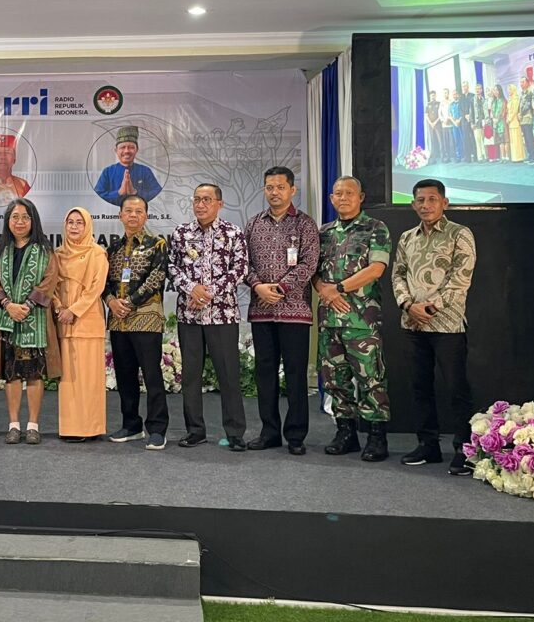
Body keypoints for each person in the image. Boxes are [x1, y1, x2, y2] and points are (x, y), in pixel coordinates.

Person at [392, 178, 476, 477]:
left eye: (432, 199)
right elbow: (398, 274)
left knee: (456, 389)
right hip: (412, 324)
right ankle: (428, 445)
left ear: (444, 203)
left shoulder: (459, 234)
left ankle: (465, 450)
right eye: (420, 200)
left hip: (447, 325)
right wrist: (407, 305)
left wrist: (428, 308)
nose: (425, 205)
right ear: (413, 204)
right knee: (420, 387)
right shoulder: (407, 238)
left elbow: (460, 280)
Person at [312, 177, 392, 462]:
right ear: (331, 198)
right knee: (336, 379)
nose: (343, 198)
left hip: (362, 320)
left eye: (349, 193)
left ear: (361, 197)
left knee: (371, 379)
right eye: (338, 193)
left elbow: (377, 268)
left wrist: (338, 289)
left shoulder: (375, 228)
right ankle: (345, 433)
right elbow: (313, 272)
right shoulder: (323, 233)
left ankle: (376, 437)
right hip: (329, 319)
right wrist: (324, 290)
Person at [168, 184, 250, 451]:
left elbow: (240, 269)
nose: (200, 204)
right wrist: (192, 288)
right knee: (190, 376)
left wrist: (210, 292)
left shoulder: (232, 233)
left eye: (206, 199)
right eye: (197, 199)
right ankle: (195, 430)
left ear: (219, 204)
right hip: (189, 316)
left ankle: (235, 433)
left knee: (228, 375)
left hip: (222, 315)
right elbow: (172, 267)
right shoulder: (181, 233)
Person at [244, 166, 319, 455]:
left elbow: (309, 263)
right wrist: (258, 286)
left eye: (280, 187)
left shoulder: (305, 224)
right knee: (264, 373)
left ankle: (296, 435)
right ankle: (269, 432)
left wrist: (280, 288)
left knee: (296, 374)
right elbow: (243, 263)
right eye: (269, 187)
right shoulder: (253, 224)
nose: (274, 192)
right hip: (261, 310)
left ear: (292, 190)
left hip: (295, 312)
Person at [0, 198, 61, 445]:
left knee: (34, 374)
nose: (20, 222)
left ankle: (33, 426)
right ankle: (14, 425)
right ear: (8, 221)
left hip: (35, 320)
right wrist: (9, 305)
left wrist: (26, 306)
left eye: (25, 217)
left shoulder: (45, 250)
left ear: (33, 221)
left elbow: (50, 280)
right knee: (12, 375)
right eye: (15, 217)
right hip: (7, 320)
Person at [104, 195, 169, 450]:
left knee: (152, 375)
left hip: (146, 319)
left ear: (146, 215)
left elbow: (156, 278)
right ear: (120, 215)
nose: (133, 215)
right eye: (128, 211)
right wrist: (111, 301)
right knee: (124, 375)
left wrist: (129, 302)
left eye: (138, 211)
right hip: (118, 322)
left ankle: (157, 428)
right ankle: (131, 425)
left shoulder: (157, 244)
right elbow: (102, 282)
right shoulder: (112, 249)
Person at [54, 207, 109, 442]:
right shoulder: (57, 255)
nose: (74, 227)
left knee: (89, 380)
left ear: (87, 226)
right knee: (69, 380)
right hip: (64, 323)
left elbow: (96, 288)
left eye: (80, 222)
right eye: (70, 222)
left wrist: (73, 310)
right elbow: (50, 286)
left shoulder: (97, 253)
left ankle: (90, 427)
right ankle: (71, 428)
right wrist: (59, 308)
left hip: (87, 322)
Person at [93, 126, 163, 206]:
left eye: (131, 147)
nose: (126, 151)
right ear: (116, 150)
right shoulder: (107, 172)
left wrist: (135, 192)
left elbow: (158, 193)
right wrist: (119, 193)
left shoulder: (145, 171)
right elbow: (98, 196)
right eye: (122, 147)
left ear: (137, 150)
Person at [518, 76, 534, 164]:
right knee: (526, 138)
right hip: (522, 119)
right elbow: (520, 105)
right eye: (520, 82)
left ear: (527, 83)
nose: (521, 84)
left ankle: (533, 157)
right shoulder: (522, 93)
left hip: (528, 117)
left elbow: (528, 105)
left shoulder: (529, 92)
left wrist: (521, 114)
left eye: (523, 82)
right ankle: (529, 155)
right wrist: (518, 113)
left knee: (529, 138)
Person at [506, 83, 525, 163]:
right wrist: (507, 118)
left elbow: (515, 111)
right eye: (508, 90)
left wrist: (509, 119)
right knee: (513, 141)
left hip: (515, 121)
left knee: (517, 140)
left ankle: (519, 157)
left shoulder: (516, 99)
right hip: (510, 122)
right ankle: (514, 157)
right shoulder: (510, 99)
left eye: (510, 89)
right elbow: (508, 110)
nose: (509, 91)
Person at [458, 80, 477, 163]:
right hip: (464, 121)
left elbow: (474, 107)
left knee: (473, 138)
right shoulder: (461, 97)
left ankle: (476, 156)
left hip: (472, 120)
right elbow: (460, 109)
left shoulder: (472, 96)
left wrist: (470, 116)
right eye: (463, 86)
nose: (464, 88)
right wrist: (465, 115)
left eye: (465, 86)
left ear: (468, 87)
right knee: (466, 139)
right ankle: (468, 157)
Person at [423, 91, 443, 164]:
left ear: (435, 96)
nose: (433, 97)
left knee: (440, 140)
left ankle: (442, 156)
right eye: (431, 95)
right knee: (432, 141)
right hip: (430, 125)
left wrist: (435, 122)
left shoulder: (439, 103)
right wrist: (431, 123)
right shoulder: (428, 104)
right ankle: (434, 157)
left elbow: (440, 114)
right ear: (430, 96)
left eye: (434, 95)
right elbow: (426, 115)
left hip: (437, 124)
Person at [472, 84, 488, 163]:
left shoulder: (483, 99)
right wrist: (472, 123)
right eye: (476, 89)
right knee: (478, 140)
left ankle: (485, 155)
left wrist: (486, 121)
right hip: (476, 122)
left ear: (481, 90)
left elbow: (485, 110)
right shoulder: (472, 100)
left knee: (483, 139)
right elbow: (471, 112)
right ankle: (480, 157)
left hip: (483, 122)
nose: (477, 90)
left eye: (479, 89)